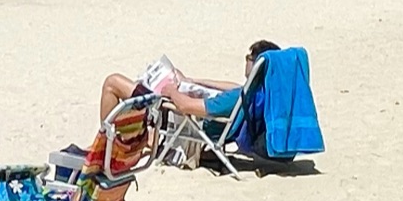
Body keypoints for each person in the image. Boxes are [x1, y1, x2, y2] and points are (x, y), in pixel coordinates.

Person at [92, 42, 280, 128]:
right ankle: (120, 133)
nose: (245, 61)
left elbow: (185, 106)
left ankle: (104, 138)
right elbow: (234, 87)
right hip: (187, 107)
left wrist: (172, 90)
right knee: (158, 78)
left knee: (113, 82)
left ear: (255, 63)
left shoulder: (234, 99)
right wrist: (192, 81)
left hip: (180, 118)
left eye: (248, 58)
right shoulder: (260, 92)